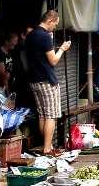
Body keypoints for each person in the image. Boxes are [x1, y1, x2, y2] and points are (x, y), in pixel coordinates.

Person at [26, 10, 71, 155]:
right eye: (55, 24)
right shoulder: (45, 37)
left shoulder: (31, 35)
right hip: (47, 80)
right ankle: (47, 148)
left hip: (34, 79)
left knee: (42, 115)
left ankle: (46, 145)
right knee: (51, 115)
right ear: (50, 20)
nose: (55, 27)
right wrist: (62, 49)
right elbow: (53, 60)